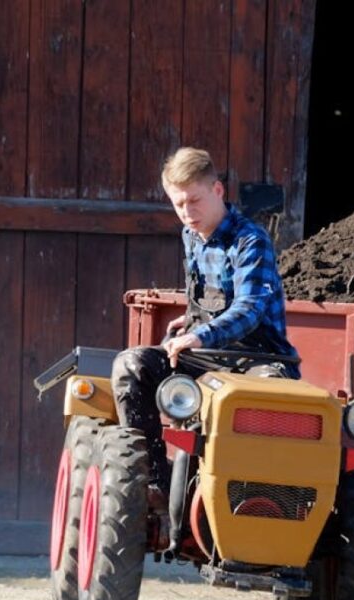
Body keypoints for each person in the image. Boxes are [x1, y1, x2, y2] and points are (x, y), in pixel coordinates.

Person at [111, 147, 299, 497]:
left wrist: (201, 334)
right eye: (178, 204)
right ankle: (156, 484)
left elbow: (250, 308)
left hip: (257, 359)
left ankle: (255, 498)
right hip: (210, 357)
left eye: (194, 201)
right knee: (131, 365)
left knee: (268, 397)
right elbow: (212, 295)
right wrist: (193, 318)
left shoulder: (250, 240)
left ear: (217, 191)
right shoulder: (191, 236)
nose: (187, 212)